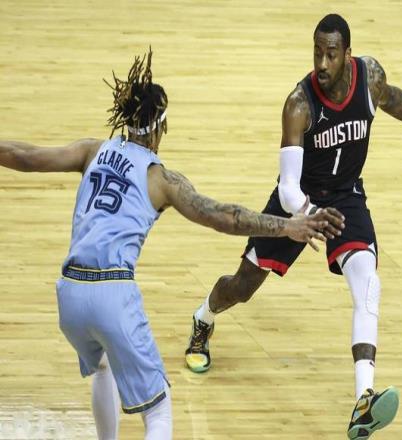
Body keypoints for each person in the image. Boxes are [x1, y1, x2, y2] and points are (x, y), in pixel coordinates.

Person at [0, 49, 346, 440]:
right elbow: (224, 217)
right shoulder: (161, 179)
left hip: (69, 294)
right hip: (111, 292)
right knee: (159, 410)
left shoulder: (91, 150)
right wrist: (288, 227)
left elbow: (25, 157)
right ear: (160, 126)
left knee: (103, 365)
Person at [185, 13, 402, 439]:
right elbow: (288, 188)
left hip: (346, 197)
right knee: (242, 286)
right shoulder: (299, 104)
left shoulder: (370, 78)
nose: (322, 63)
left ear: (348, 54)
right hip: (299, 204)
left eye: (331, 54)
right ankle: (203, 318)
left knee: (367, 283)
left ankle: (364, 400)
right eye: (317, 53)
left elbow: (391, 99)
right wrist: (308, 214)